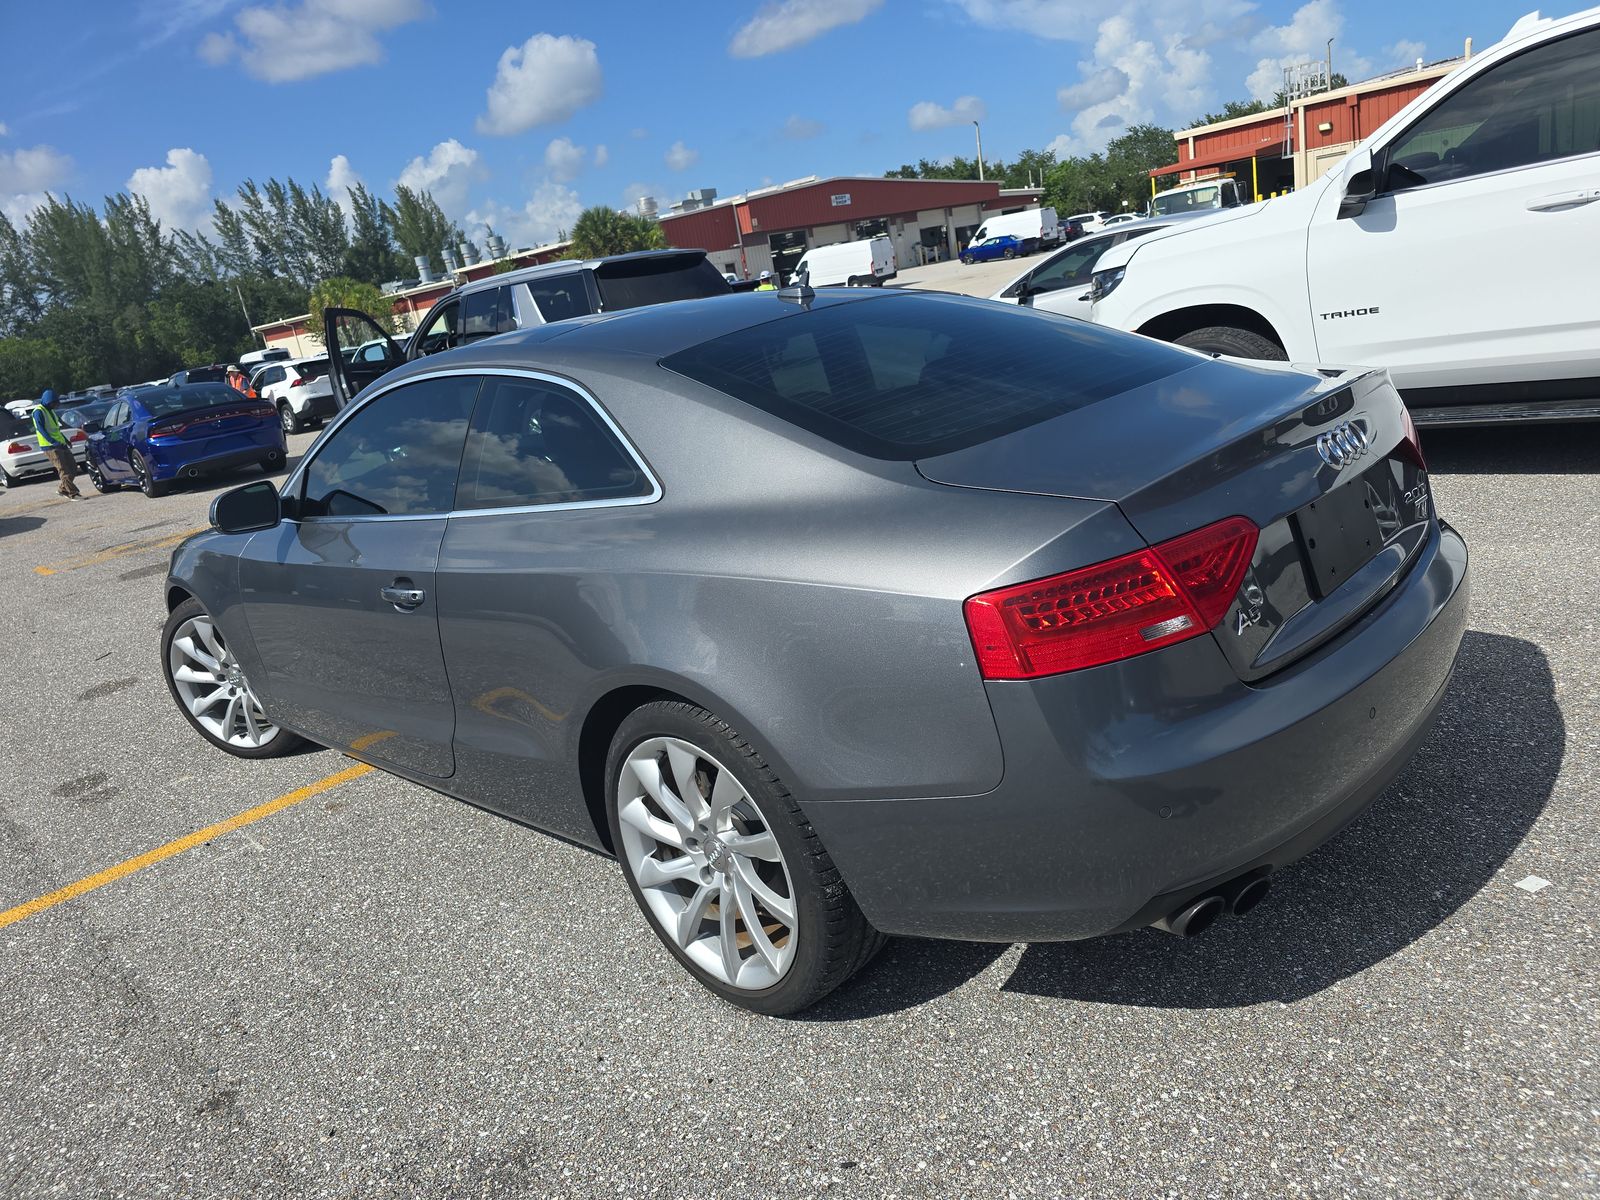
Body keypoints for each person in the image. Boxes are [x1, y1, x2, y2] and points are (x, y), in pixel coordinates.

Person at [31, 389, 82, 501]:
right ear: (48, 401)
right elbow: (41, 430)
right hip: (50, 446)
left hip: (61, 443)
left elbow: (56, 429)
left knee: (73, 467)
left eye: (56, 403)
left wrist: (65, 440)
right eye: (54, 403)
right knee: (63, 469)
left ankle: (62, 489)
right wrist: (52, 441)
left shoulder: (51, 411)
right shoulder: (38, 411)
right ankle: (72, 493)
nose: (55, 405)